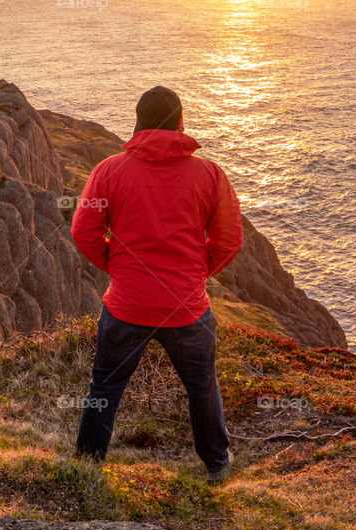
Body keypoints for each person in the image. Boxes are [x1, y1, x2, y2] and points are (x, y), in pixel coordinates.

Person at [70, 85, 243, 482]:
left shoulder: (109, 170)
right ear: (182, 123)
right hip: (187, 307)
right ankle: (216, 464)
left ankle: (85, 470)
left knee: (104, 390)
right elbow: (230, 239)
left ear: (136, 123)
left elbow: (83, 231)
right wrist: (196, 272)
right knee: (201, 386)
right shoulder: (210, 174)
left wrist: (116, 264)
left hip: (127, 305)